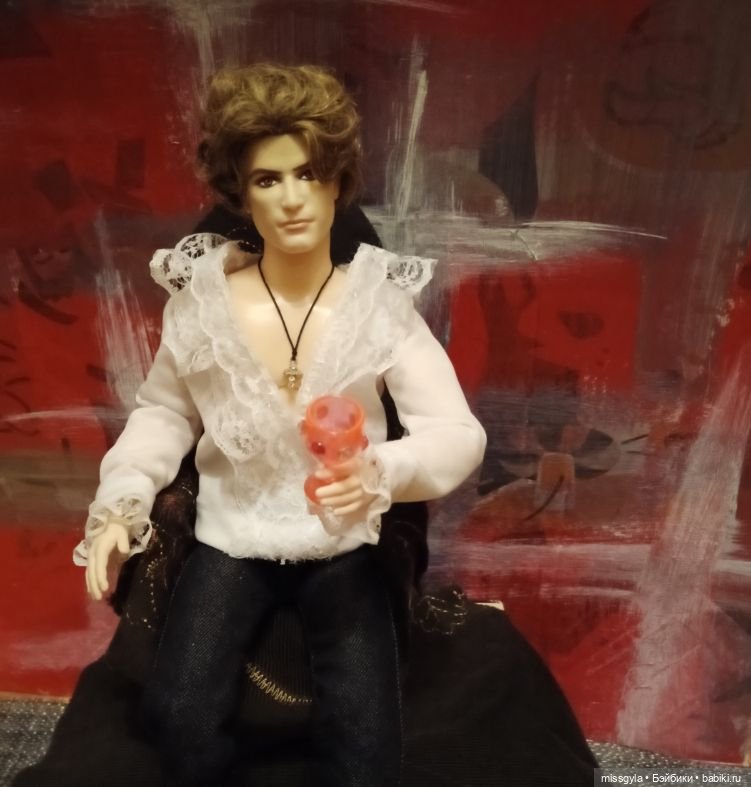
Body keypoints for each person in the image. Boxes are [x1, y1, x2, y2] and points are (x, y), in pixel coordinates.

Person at [72, 63, 486, 787]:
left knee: (367, 743)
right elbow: (163, 413)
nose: (292, 198)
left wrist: (381, 471)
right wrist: (121, 503)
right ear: (241, 192)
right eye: (268, 179)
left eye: (308, 174)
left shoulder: (377, 307)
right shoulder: (203, 302)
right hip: (231, 539)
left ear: (336, 183)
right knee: (177, 712)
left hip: (342, 542)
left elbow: (456, 432)